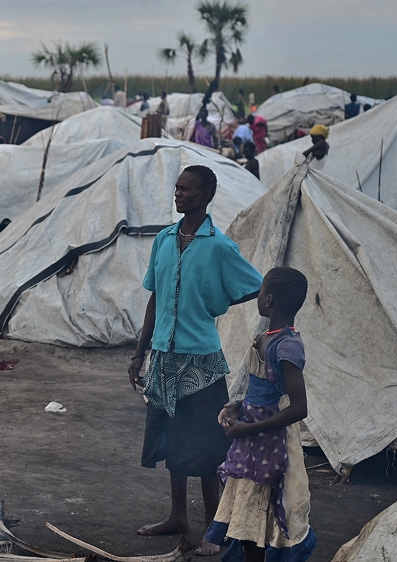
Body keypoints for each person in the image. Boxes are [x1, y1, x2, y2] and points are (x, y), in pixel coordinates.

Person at [128, 165, 263, 557]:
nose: (178, 194)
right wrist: (140, 353)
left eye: (186, 189)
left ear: (206, 195)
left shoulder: (219, 246)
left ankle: (212, 529)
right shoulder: (165, 240)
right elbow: (154, 298)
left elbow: (253, 285)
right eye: (177, 188)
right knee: (173, 439)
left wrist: (214, 302)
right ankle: (177, 517)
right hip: (164, 357)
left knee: (206, 448)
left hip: (200, 360)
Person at [205, 267, 317, 562]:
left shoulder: (288, 346)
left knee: (258, 524)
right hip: (252, 442)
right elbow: (267, 393)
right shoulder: (266, 338)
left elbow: (298, 407)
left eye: (261, 291)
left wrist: (249, 428)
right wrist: (239, 406)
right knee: (247, 520)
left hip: (272, 446)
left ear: (268, 300)